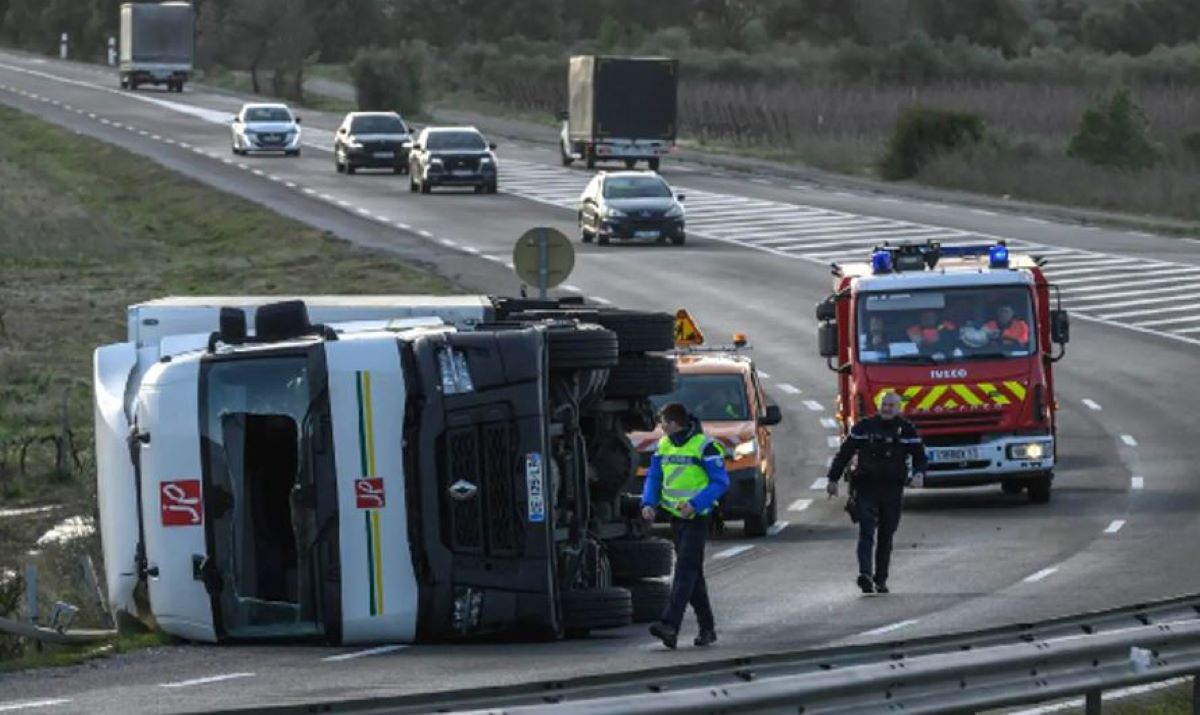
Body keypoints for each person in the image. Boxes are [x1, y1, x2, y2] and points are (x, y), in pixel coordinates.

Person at [642, 402, 730, 649]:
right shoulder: (664, 445)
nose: (660, 426)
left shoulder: (705, 446)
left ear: (674, 423)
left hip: (698, 517)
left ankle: (670, 625)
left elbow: (720, 482)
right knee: (693, 574)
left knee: (684, 571)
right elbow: (654, 477)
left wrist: (695, 504)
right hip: (676, 517)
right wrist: (648, 502)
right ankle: (707, 628)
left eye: (663, 422)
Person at [825, 391, 927, 594]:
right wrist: (833, 479)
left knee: (886, 535)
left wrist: (919, 474)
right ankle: (865, 575)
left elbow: (920, 457)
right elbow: (844, 453)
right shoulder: (864, 427)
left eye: (891, 406)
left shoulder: (906, 429)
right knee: (866, 532)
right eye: (884, 405)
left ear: (899, 408)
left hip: (892, 489)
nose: (887, 409)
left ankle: (881, 579)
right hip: (866, 487)